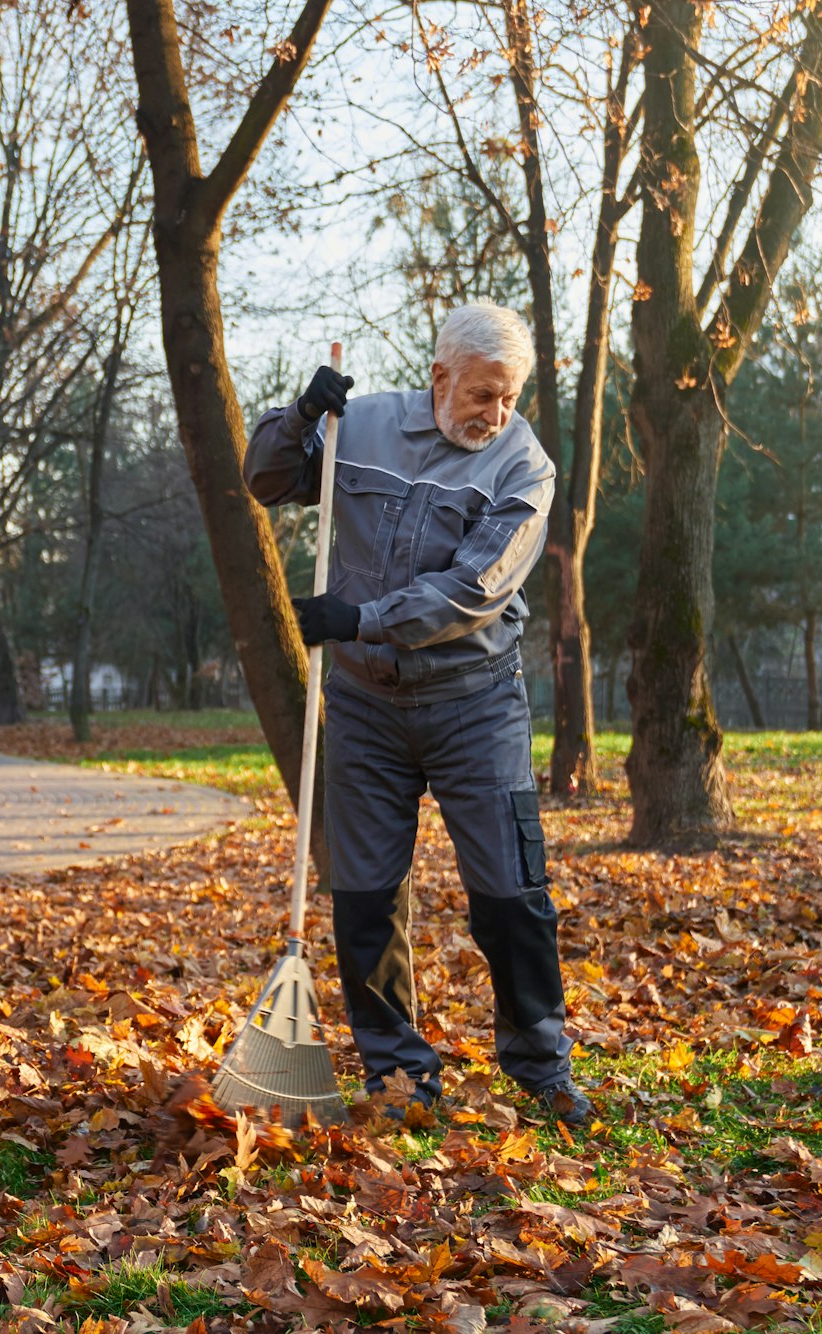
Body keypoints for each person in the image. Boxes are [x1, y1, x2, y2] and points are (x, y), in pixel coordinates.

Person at [243, 301, 593, 1126]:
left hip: (475, 704)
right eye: (481, 395)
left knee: (511, 894)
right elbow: (265, 479)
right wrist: (297, 419)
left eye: (508, 398)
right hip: (365, 707)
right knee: (364, 896)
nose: (495, 415)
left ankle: (542, 1068)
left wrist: (359, 618)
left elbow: (477, 588)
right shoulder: (358, 426)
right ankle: (398, 1077)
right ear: (440, 378)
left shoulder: (523, 466)